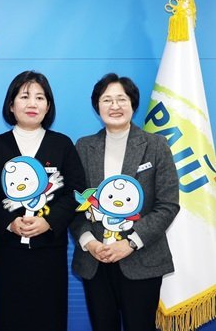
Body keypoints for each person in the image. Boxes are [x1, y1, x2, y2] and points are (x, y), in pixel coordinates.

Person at [0, 70, 85, 331]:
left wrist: (49, 222)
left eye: (40, 97)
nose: (32, 103)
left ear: (48, 106)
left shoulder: (62, 144)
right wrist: (9, 223)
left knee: (49, 318)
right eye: (24, 97)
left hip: (49, 251)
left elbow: (76, 191)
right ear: (11, 105)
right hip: (7, 252)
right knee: (7, 318)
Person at [70, 73, 179, 331]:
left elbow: (168, 205)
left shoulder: (156, 145)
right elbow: (73, 203)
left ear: (133, 104)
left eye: (121, 99)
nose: (115, 106)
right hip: (95, 261)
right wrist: (89, 242)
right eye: (107, 100)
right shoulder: (83, 147)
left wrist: (130, 242)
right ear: (97, 106)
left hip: (142, 258)